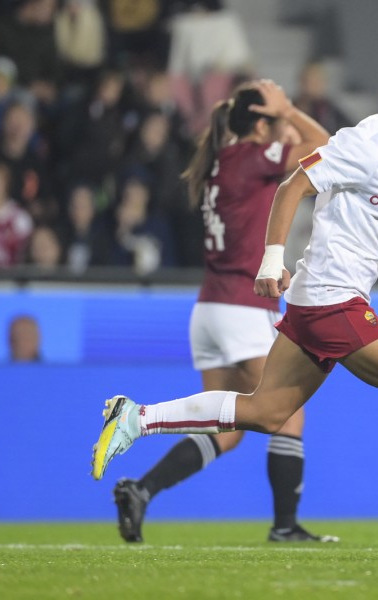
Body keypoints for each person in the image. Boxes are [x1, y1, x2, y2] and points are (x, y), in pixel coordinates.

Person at [91, 40, 378, 546]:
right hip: (331, 297)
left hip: (317, 302)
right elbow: (291, 186)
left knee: (266, 412)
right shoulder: (368, 141)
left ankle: (136, 418)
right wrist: (272, 260)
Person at [110, 79, 337, 544]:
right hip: (241, 307)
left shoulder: (220, 164)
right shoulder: (251, 157)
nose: (283, 132)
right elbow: (324, 146)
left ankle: (142, 489)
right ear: (259, 124)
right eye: (273, 122)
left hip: (210, 307)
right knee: (286, 413)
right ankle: (285, 527)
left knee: (228, 429)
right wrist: (290, 108)